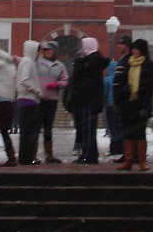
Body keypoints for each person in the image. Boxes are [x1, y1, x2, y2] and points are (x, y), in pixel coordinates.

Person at [113, 38, 153, 171]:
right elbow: (119, 81)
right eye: (133, 48)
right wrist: (121, 96)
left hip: (141, 103)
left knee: (140, 132)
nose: (134, 51)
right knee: (128, 133)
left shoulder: (149, 65)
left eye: (137, 49)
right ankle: (128, 160)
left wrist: (146, 105)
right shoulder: (127, 63)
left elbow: (150, 87)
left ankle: (142, 161)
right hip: (128, 104)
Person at [68, 37, 109, 165]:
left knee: (88, 129)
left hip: (88, 101)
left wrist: (78, 65)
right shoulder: (91, 62)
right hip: (87, 100)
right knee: (85, 129)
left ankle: (90, 154)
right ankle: (87, 153)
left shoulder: (92, 62)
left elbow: (83, 79)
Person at [36, 41, 69, 164]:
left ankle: (49, 154)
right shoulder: (37, 63)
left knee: (48, 127)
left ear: (55, 52)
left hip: (52, 100)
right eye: (45, 50)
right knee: (36, 127)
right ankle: (33, 154)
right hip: (39, 99)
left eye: (50, 50)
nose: (47, 52)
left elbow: (65, 81)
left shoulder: (59, 66)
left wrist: (57, 84)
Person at [104, 34, 132, 162]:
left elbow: (106, 90)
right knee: (121, 127)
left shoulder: (108, 78)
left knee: (114, 127)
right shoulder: (123, 63)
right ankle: (123, 150)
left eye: (121, 44)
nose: (118, 46)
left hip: (115, 104)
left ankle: (117, 148)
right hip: (119, 102)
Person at [15, 40, 42, 165]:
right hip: (29, 100)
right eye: (37, 50)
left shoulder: (24, 62)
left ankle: (24, 156)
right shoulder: (28, 62)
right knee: (30, 131)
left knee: (25, 131)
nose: (38, 53)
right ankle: (27, 157)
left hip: (23, 99)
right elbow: (24, 80)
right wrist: (36, 91)